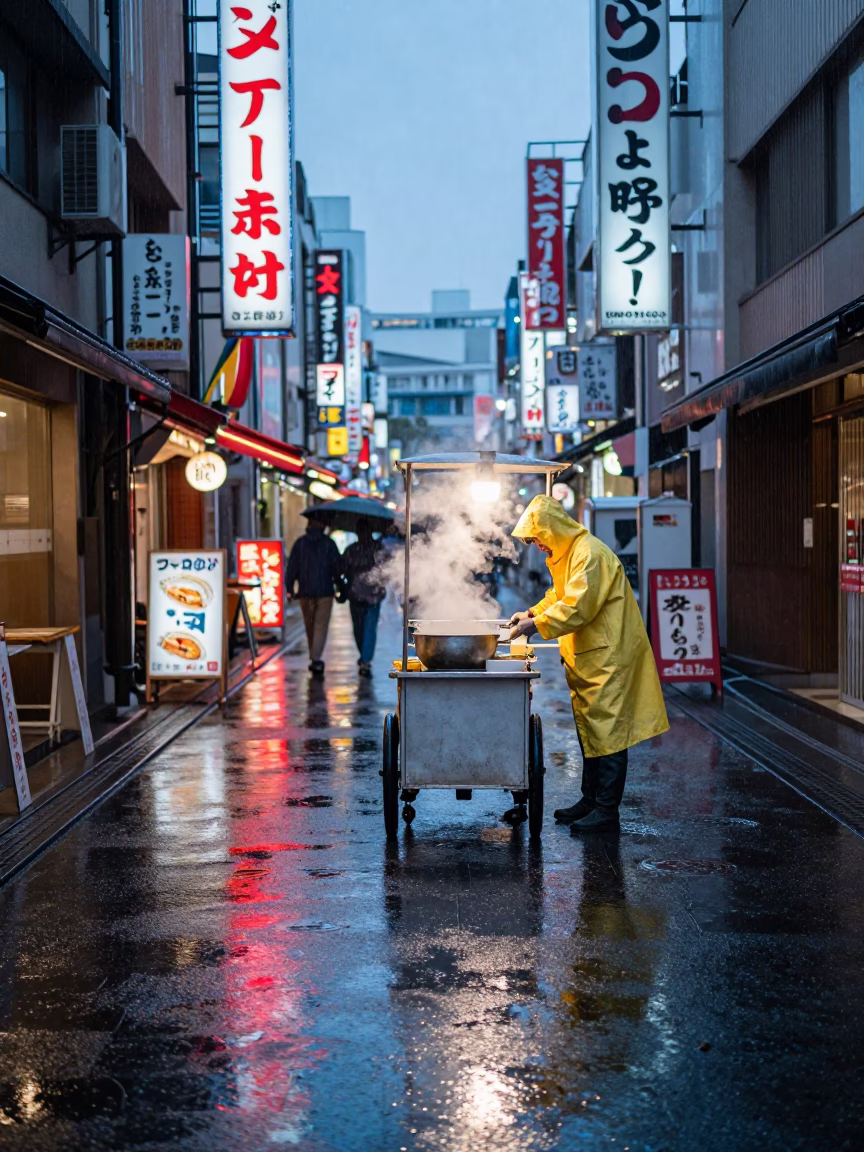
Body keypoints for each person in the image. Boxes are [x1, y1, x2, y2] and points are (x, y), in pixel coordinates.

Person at [508, 494, 669, 833]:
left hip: (608, 657)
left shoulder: (589, 553)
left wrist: (535, 625)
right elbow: (560, 595)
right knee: (592, 730)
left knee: (608, 733)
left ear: (552, 530)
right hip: (592, 657)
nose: (537, 546)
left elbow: (578, 605)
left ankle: (607, 811)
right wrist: (534, 612)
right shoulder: (570, 553)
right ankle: (591, 800)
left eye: (538, 538)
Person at [285, 519, 341, 676]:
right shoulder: (329, 544)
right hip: (325, 591)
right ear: (323, 525)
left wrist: (290, 588)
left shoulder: (300, 544)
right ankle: (316, 657)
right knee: (320, 626)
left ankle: (315, 657)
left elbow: (292, 568)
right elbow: (337, 567)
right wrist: (339, 586)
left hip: (306, 591)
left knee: (310, 625)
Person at [339, 524, 387, 676]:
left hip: (363, 594)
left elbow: (342, 569)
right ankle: (365, 658)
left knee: (363, 627)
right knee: (365, 628)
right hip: (367, 595)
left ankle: (365, 659)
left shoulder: (353, 550)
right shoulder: (376, 549)